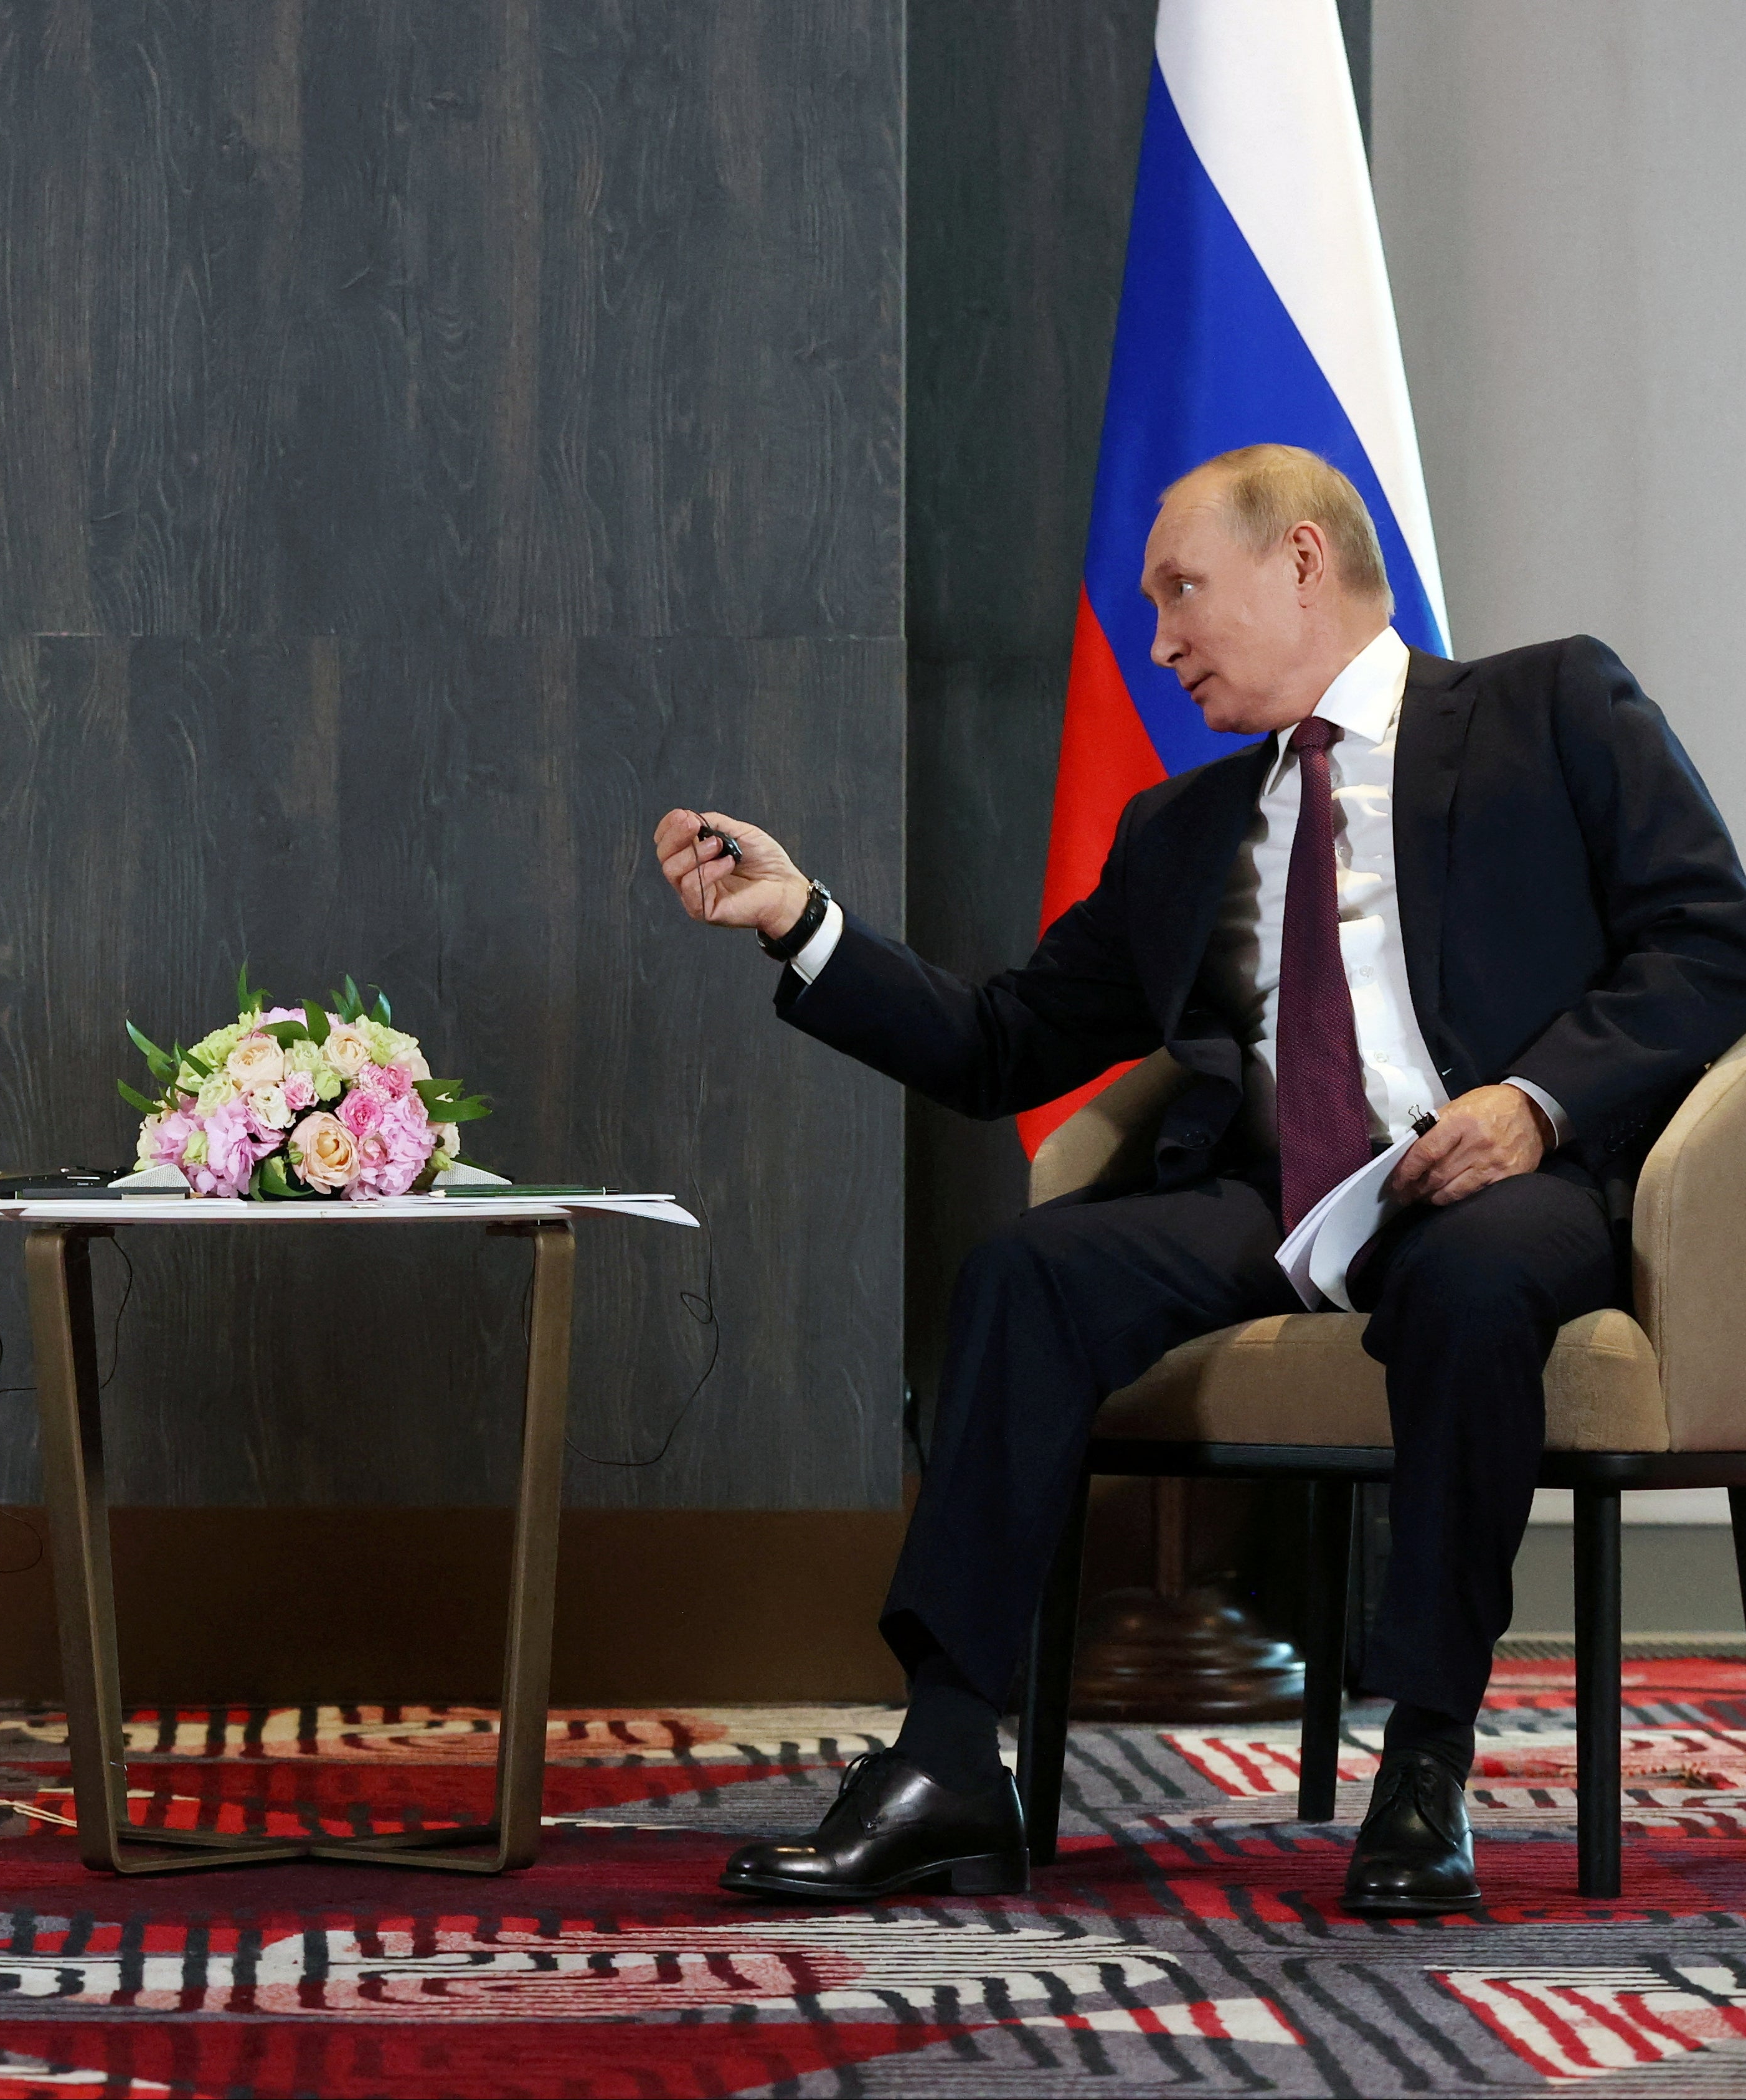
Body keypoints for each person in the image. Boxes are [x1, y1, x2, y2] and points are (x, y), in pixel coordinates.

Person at [657, 443, 1746, 1918]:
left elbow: (1707, 944)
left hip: (1504, 1177)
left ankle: (1422, 1761)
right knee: (1025, 1273)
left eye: (1181, 592)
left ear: (1300, 561)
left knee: (1473, 1284)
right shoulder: (1179, 829)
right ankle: (942, 1761)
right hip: (1275, 1196)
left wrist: (1535, 1106)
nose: (1155, 640)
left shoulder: (1548, 707)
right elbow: (1001, 1043)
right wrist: (803, 924)